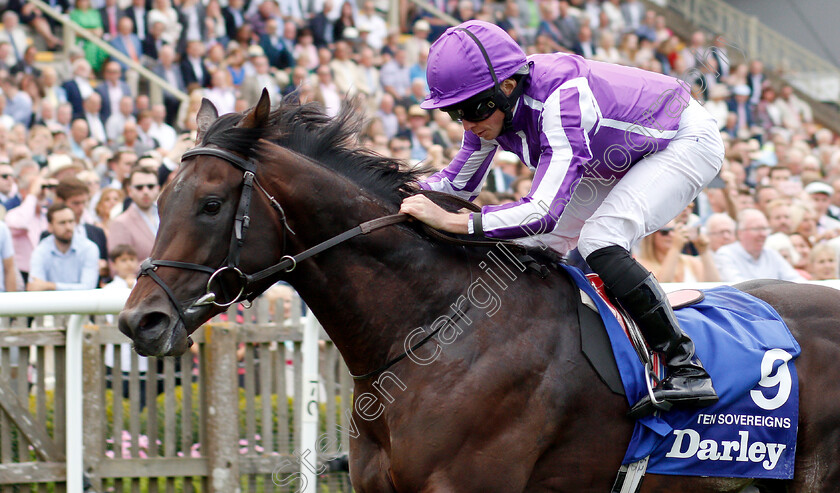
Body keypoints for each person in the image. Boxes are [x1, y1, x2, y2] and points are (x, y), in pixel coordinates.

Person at [399, 21, 725, 417]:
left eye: (471, 109)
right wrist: (395, 197)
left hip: (680, 140)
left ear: (506, 87)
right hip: (617, 152)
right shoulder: (490, 110)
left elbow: (541, 211)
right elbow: (454, 187)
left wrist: (456, 223)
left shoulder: (562, 98)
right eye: (454, 113)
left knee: (599, 239)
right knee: (527, 250)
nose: (466, 123)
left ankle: (684, 365)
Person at [714, 208, 804, 283]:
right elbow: (737, 286)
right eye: (757, 229)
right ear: (740, 233)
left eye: (765, 228)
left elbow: (796, 281)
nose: (763, 234)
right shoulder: (726, 254)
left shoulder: (771, 254)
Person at [27, 202, 100, 291]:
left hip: (83, 304)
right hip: (51, 304)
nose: (68, 227)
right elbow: (35, 287)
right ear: (50, 226)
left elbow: (88, 288)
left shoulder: (89, 248)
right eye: (62, 223)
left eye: (71, 221)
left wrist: (51, 286)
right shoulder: (40, 250)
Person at [108, 166, 160, 260]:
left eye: (150, 186)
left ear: (158, 188)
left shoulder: (168, 216)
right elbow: (118, 268)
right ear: (130, 191)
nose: (145, 191)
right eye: (139, 187)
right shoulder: (121, 223)